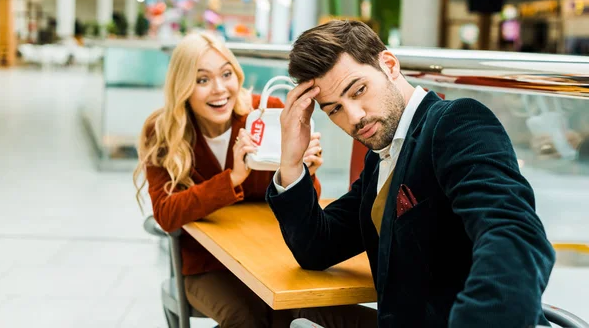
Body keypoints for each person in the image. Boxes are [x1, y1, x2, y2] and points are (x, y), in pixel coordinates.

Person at [266, 20, 556, 327]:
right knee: (282, 317)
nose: (354, 117)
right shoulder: (380, 156)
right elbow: (317, 247)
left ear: (389, 65)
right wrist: (291, 162)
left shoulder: (455, 123)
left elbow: (513, 235)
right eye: (334, 109)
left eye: (359, 90)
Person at [133, 32, 324, 328]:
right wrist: (232, 178)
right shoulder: (164, 132)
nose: (220, 89)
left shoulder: (268, 113)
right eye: (202, 80)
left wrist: (304, 174)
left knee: (297, 313)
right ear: (182, 86)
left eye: (226, 74)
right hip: (204, 266)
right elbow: (166, 214)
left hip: (268, 257)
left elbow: (306, 206)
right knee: (246, 319)